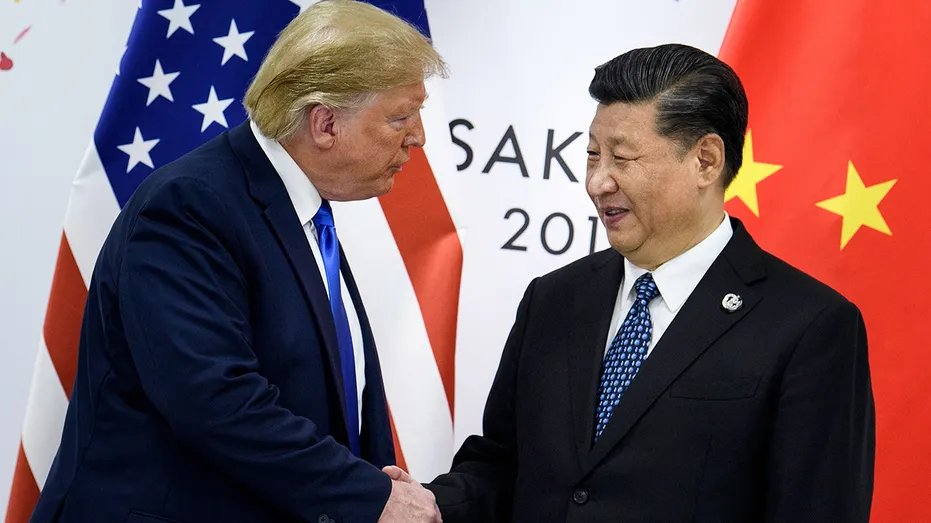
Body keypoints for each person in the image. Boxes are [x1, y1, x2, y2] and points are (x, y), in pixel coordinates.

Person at [410, 43, 875, 521]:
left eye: (622, 158)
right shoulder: (553, 299)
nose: (597, 182)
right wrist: (424, 507)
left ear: (706, 161)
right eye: (592, 156)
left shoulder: (809, 326)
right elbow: (502, 465)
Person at [31, 1, 445, 521]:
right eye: (401, 117)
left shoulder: (300, 213)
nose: (418, 137)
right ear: (324, 123)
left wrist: (374, 484)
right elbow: (215, 400)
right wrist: (367, 497)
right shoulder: (189, 207)